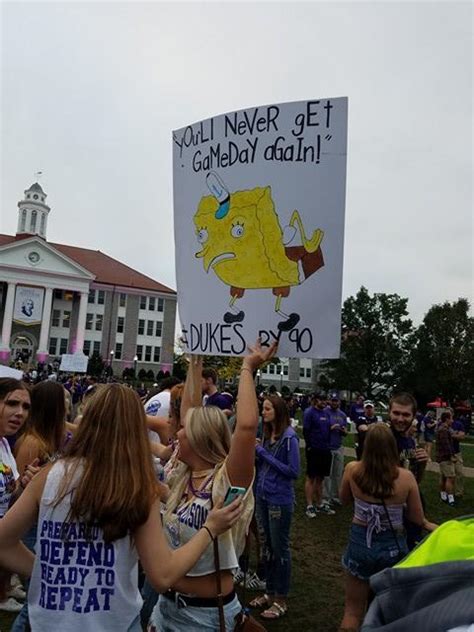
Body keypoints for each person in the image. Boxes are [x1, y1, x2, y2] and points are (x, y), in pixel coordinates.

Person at [0, 383, 243, 631]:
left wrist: (49, 570)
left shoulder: (50, 476)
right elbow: (162, 576)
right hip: (114, 620)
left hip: (50, 620)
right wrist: (209, 529)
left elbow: (3, 541)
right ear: (135, 429)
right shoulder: (136, 487)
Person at [149, 339, 277, 631]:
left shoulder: (225, 483)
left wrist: (247, 367)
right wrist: (195, 362)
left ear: (198, 438)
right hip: (165, 609)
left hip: (205, 618)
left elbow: (245, 427)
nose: (176, 433)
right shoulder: (182, 475)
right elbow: (190, 411)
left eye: (183, 430)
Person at [339, 423, 436, 632]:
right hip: (392, 545)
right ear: (392, 447)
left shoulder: (352, 469)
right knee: (388, 612)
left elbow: (344, 499)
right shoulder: (406, 478)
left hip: (360, 542)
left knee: (352, 612)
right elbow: (416, 518)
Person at [11, 381, 75, 631]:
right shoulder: (31, 443)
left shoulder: (49, 437)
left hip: (41, 524)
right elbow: (17, 490)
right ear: (53, 407)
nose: (68, 407)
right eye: (64, 402)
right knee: (36, 597)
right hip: (29, 527)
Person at [248, 394, 300, 620]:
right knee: (267, 546)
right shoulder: (267, 435)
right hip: (263, 495)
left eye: (267, 409)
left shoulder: (289, 439)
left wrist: (263, 454)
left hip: (279, 499)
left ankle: (281, 598)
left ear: (277, 411)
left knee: (280, 549)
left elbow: (293, 471)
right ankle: (268, 592)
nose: (263, 412)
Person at [0, 379, 33, 614]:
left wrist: (24, 484)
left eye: (26, 407)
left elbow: (10, 496)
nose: (20, 413)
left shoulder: (4, 445)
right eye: (12, 404)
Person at [303, 394, 335, 517]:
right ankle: (309, 505)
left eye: (325, 400)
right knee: (311, 477)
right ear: (316, 400)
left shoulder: (326, 413)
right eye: (322, 400)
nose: (324, 402)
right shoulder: (309, 412)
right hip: (314, 449)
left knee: (321, 478)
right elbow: (306, 430)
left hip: (325, 449)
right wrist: (309, 446)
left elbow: (326, 428)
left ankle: (320, 503)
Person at [323, 391, 348, 507]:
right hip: (327, 446)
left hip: (338, 446)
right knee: (327, 474)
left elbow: (346, 431)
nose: (334, 403)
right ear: (330, 401)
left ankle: (334, 496)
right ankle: (325, 497)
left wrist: (343, 431)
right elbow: (321, 429)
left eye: (336, 400)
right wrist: (330, 427)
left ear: (339, 401)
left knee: (337, 473)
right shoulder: (325, 412)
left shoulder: (342, 414)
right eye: (332, 400)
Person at [436, 410, 456, 506]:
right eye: (451, 418)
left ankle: (443, 495)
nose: (452, 420)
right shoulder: (444, 430)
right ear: (447, 419)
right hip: (445, 458)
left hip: (441, 457)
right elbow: (446, 445)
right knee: (450, 477)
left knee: (443, 477)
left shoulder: (442, 428)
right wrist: (451, 456)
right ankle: (450, 498)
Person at [451, 413, 466, 499]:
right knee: (446, 474)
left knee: (459, 472)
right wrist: (456, 434)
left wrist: (451, 435)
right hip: (445, 453)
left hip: (456, 452)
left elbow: (462, 436)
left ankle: (458, 492)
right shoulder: (441, 423)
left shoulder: (458, 424)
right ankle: (446, 491)